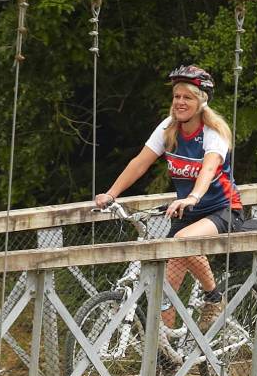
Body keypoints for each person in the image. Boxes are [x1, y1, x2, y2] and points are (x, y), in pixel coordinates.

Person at [94, 65, 243, 329]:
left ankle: (213, 297)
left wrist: (194, 197)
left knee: (182, 240)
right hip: (187, 213)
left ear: (201, 101)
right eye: (176, 96)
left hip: (222, 210)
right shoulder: (168, 128)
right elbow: (140, 162)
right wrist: (111, 194)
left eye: (187, 97)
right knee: (163, 295)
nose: (180, 102)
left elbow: (208, 169)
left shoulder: (214, 132)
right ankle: (169, 361)